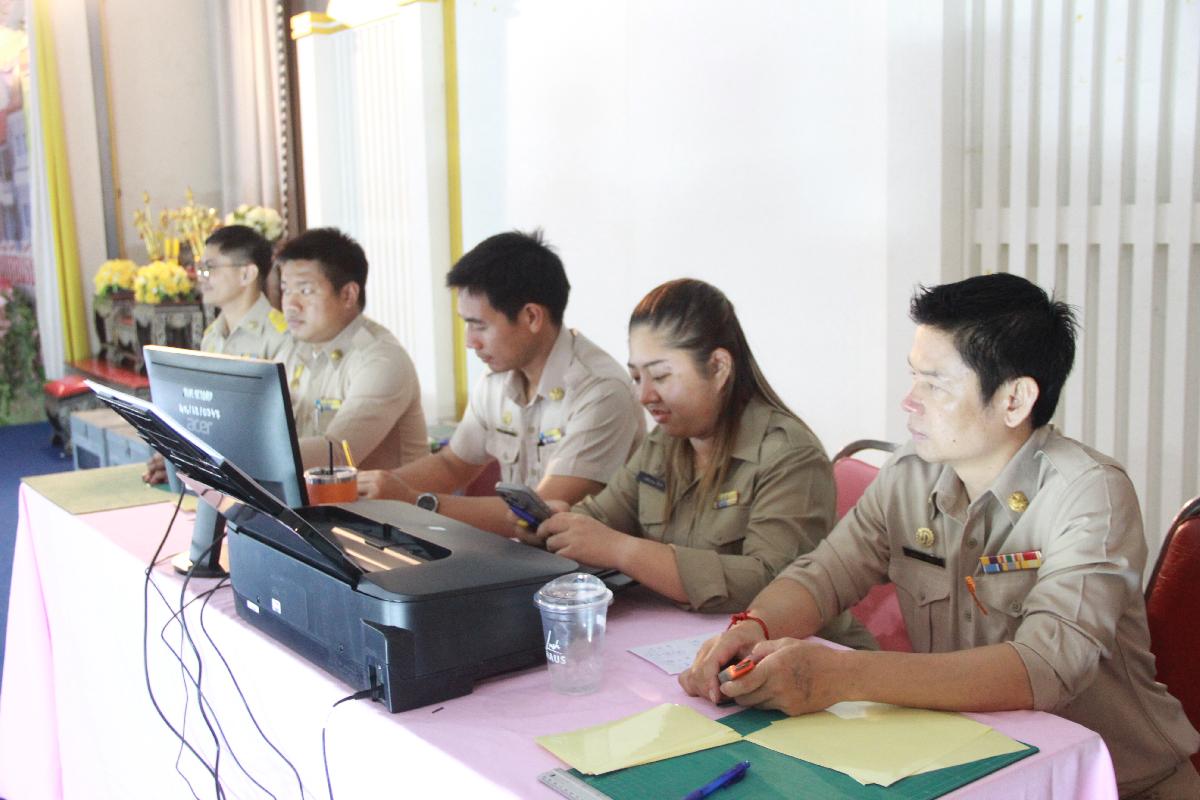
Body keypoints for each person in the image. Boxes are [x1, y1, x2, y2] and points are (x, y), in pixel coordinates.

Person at [679, 273, 1200, 798]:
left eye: (935, 384)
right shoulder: (912, 475)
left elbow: (1044, 667)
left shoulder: (1088, 494)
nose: (909, 401)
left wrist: (841, 675)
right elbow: (824, 575)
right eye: (914, 377)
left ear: (1015, 400)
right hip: (970, 765)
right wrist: (753, 627)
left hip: (1112, 782)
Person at [528, 279, 874, 647]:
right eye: (637, 377)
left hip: (803, 655)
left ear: (719, 367)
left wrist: (622, 550)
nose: (644, 395)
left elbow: (775, 582)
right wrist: (565, 524)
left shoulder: (789, 454)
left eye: (661, 376)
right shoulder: (664, 442)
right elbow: (603, 517)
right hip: (688, 642)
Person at [357, 230, 643, 535]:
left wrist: (413, 503)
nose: (470, 342)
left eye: (479, 326)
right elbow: (452, 465)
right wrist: (365, 490)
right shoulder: (497, 378)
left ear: (532, 317)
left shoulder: (600, 391)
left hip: (579, 561)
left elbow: (542, 510)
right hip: (521, 551)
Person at [143, 225, 287, 484]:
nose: (202, 277)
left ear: (247, 273)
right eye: (200, 268)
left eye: (210, 268)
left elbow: (279, 425)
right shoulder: (212, 335)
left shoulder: (280, 336)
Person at [277, 227, 427, 471]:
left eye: (305, 291)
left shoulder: (381, 360)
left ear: (348, 295)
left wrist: (251, 455)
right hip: (311, 493)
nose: (290, 305)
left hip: (378, 497)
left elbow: (339, 455)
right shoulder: (291, 350)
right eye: (286, 290)